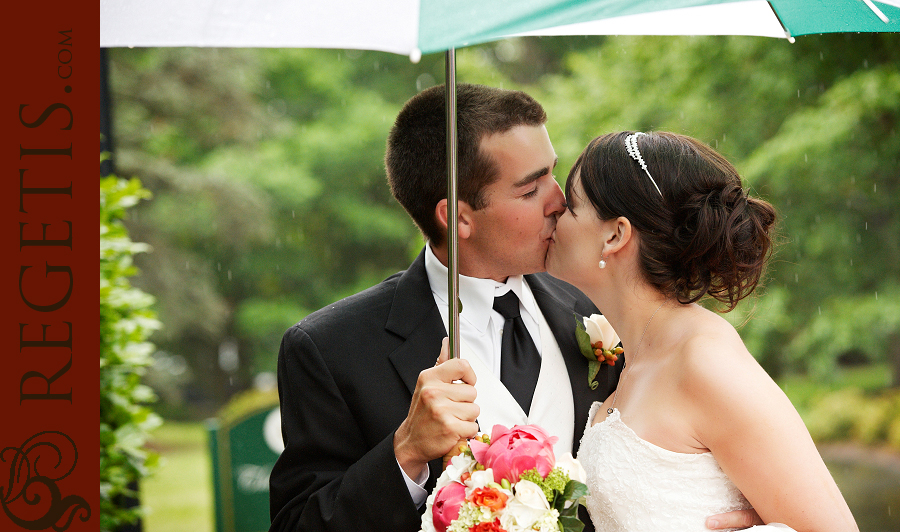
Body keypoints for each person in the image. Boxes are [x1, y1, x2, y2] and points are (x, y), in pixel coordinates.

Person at [268, 85, 760, 532]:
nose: (560, 200)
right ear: (459, 217)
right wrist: (406, 452)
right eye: (530, 189)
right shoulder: (330, 349)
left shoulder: (602, 303)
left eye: (552, 172)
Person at [546, 131, 859, 531]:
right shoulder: (636, 356)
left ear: (615, 235)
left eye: (571, 206)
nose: (554, 210)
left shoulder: (704, 360)